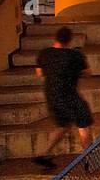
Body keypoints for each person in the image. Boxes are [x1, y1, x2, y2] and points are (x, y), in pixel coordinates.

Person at [33, 27, 92, 170]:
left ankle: (43, 153)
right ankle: (89, 158)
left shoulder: (45, 53)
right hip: (69, 94)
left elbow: (39, 72)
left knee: (63, 125)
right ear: (69, 40)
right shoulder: (74, 55)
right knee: (83, 122)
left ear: (55, 38)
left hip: (51, 95)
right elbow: (87, 73)